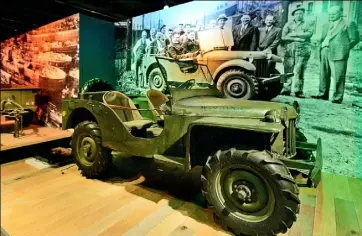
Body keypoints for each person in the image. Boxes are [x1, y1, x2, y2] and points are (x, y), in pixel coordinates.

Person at [311, 6, 360, 104]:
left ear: (340, 13)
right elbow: (323, 38)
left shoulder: (348, 23)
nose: (331, 16)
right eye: (329, 14)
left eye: (333, 14)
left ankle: (337, 97)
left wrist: (344, 48)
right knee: (323, 74)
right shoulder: (326, 24)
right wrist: (321, 48)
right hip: (324, 50)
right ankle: (322, 94)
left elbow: (355, 39)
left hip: (339, 53)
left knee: (338, 75)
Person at [280, 6, 314, 98]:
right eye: (296, 14)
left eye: (300, 13)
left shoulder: (308, 23)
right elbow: (283, 37)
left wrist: (294, 34)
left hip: (302, 50)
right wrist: (297, 38)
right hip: (289, 49)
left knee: (300, 70)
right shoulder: (288, 24)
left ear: (303, 14)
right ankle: (285, 88)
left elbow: (309, 34)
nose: (298, 15)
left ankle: (298, 90)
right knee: (287, 69)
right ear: (293, 15)